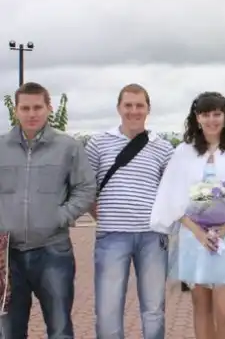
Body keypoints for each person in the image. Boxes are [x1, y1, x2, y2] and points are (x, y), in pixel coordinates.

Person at [149, 91, 225, 339]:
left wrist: (224, 229)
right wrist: (198, 232)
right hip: (194, 238)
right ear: (197, 118)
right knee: (201, 307)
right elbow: (172, 196)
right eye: (206, 115)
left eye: (217, 114)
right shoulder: (184, 152)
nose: (212, 120)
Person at [0, 82, 96, 338]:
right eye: (25, 108)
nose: (32, 114)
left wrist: (60, 216)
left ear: (48, 109)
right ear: (16, 111)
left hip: (53, 252)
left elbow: (86, 188)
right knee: (9, 331)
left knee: (60, 328)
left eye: (37, 107)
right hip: (8, 257)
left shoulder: (68, 147)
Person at [85, 84, 174, 338]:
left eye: (139, 105)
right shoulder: (98, 143)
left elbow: (171, 192)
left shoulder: (163, 148)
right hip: (112, 236)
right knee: (108, 310)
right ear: (118, 108)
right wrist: (103, 217)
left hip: (153, 237)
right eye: (128, 105)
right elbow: (86, 189)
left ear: (148, 109)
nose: (134, 111)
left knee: (154, 310)